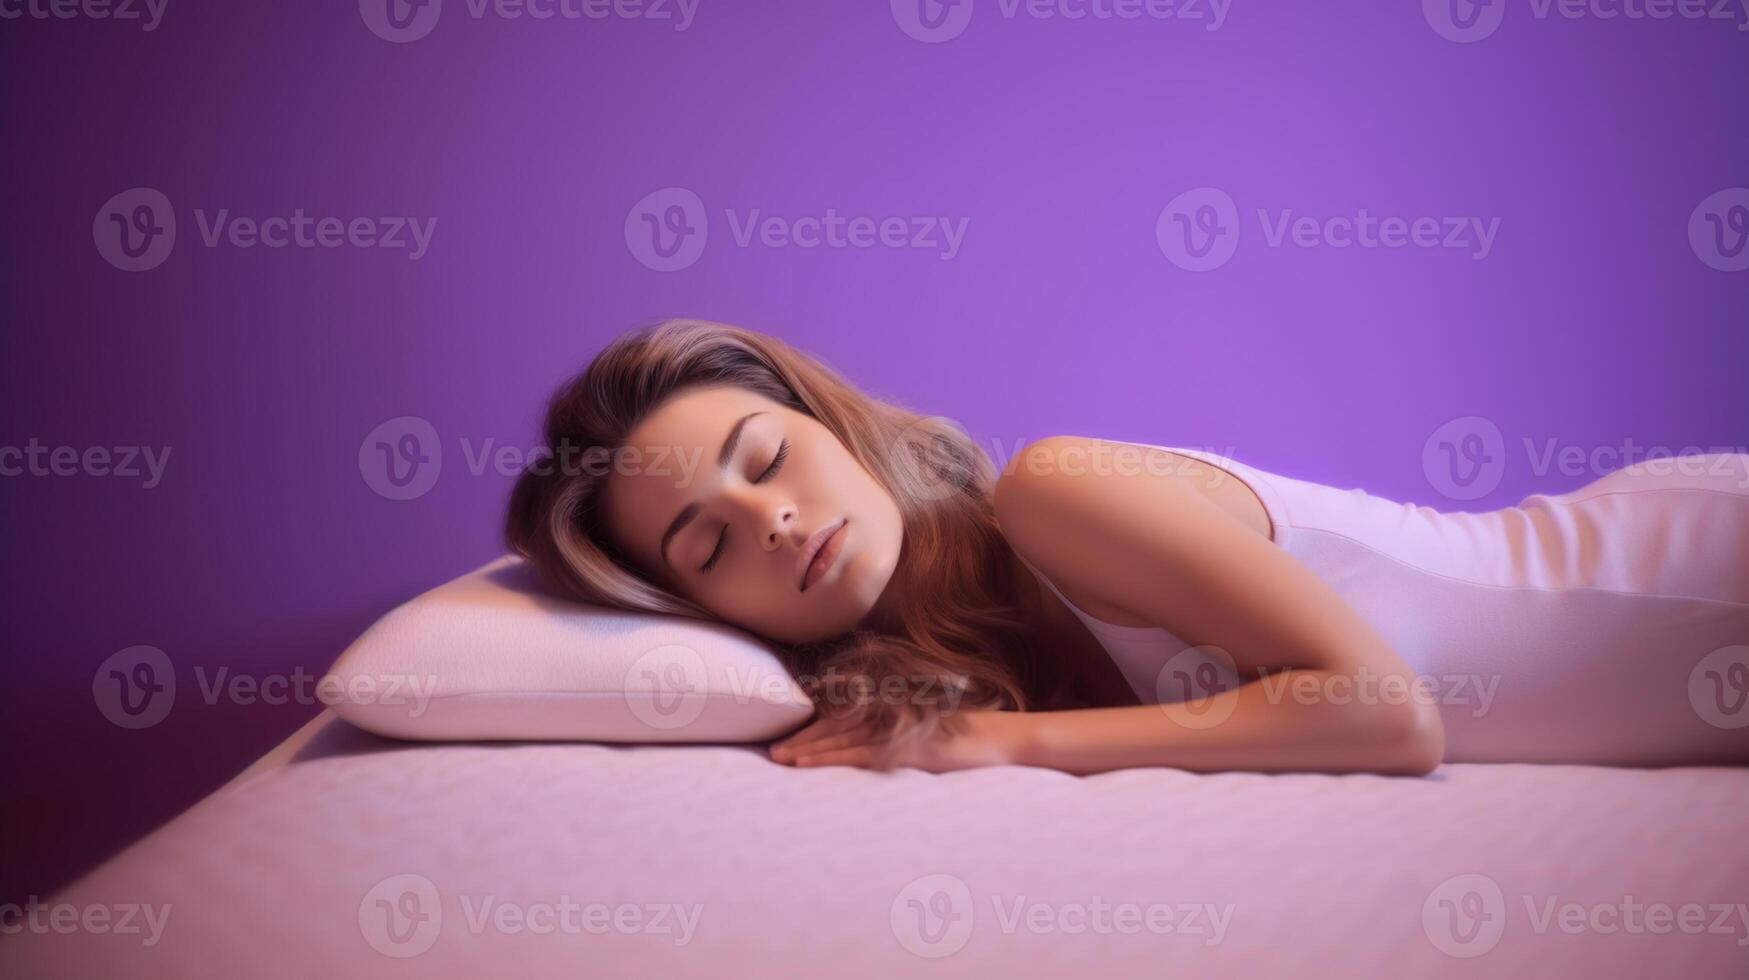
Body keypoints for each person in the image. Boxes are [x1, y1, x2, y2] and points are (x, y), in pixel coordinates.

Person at [506, 318, 1749, 775]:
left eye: (767, 459)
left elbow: (1389, 714)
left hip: (1689, 563)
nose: (769, 519)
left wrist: (1006, 742)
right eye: (707, 544)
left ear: (827, 418)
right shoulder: (967, 643)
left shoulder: (1055, 490)